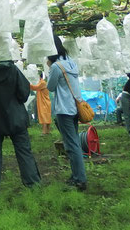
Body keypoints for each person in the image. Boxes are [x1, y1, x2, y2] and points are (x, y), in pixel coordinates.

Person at [0, 56, 41, 198]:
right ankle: (34, 186)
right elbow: (24, 94)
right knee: (24, 152)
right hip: (15, 118)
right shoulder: (12, 70)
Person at [47, 35, 87, 191]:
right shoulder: (71, 63)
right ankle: (76, 175)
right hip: (76, 107)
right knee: (74, 142)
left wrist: (50, 67)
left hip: (64, 109)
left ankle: (80, 180)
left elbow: (50, 87)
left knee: (72, 145)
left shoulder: (57, 66)